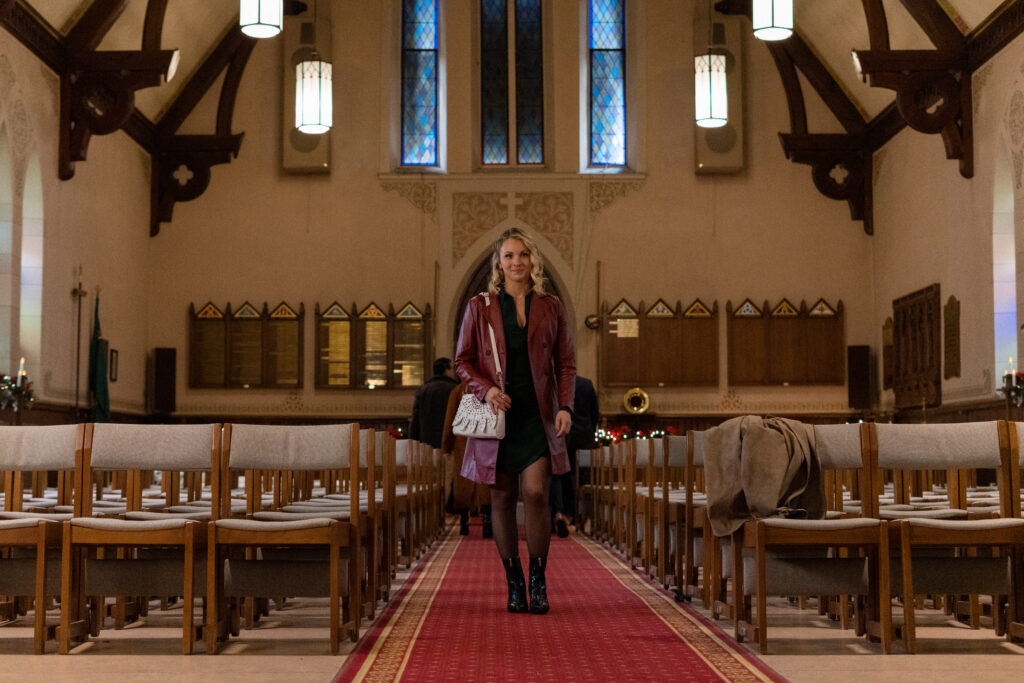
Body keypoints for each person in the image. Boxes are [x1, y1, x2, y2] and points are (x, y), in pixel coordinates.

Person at [455, 227, 576, 615]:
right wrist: (487, 390)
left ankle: (538, 579)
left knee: (537, 494)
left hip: (538, 416)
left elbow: (566, 363)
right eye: (509, 256)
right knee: (502, 499)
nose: (517, 262)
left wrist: (566, 407)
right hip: (497, 415)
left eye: (523, 255)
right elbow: (463, 360)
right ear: (499, 263)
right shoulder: (480, 305)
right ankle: (514, 581)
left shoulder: (551, 305)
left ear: (532, 260)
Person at [441, 379, 493, 536]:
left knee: (463, 482)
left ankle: (464, 522)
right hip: (486, 436)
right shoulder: (490, 387)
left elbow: (450, 420)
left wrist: (447, 445)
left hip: (463, 440)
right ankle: (487, 522)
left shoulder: (458, 391)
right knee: (485, 481)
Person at [550, 375, 598, 537]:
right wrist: (590, 433)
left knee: (557, 475)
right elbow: (594, 413)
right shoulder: (586, 384)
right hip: (582, 437)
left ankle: (558, 513)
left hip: (561, 434)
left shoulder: (555, 384)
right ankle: (577, 516)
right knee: (579, 478)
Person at [409, 357, 458, 449]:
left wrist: (413, 441)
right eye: (452, 369)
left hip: (427, 441)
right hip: (450, 441)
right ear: (446, 371)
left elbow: (415, 420)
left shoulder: (423, 390)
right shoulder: (455, 389)